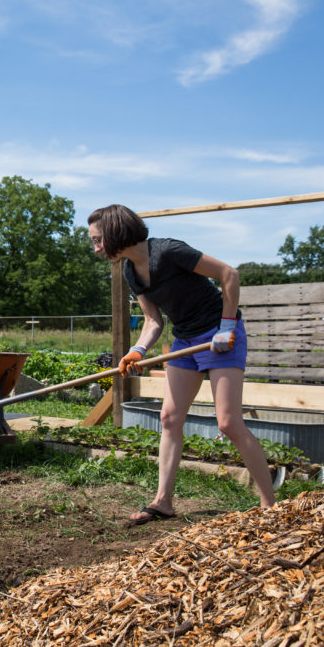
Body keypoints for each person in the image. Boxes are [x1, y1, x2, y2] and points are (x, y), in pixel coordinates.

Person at [87, 204, 276, 525]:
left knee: (229, 423)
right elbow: (153, 320)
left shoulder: (169, 251)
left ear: (115, 232)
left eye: (98, 240)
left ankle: (271, 506)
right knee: (170, 418)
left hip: (219, 335)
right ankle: (163, 502)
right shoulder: (130, 271)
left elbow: (229, 274)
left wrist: (228, 326)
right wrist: (137, 350)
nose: (96, 248)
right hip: (186, 340)